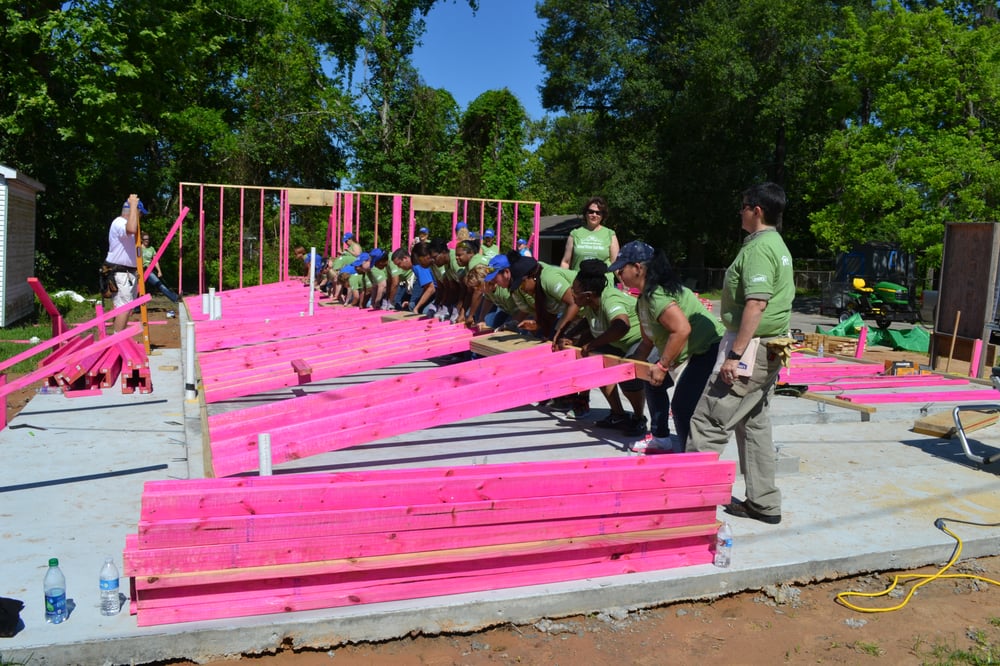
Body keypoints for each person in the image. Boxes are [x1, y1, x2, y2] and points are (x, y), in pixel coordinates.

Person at [687, 182, 794, 525]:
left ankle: (687, 506)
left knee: (708, 422)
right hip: (770, 346)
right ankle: (763, 502)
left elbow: (757, 302)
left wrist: (734, 355)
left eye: (744, 206)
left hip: (752, 347)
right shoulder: (776, 245)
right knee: (754, 424)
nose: (740, 211)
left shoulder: (760, 249)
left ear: (757, 210)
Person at [609, 241, 725, 453]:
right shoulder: (643, 300)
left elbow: (681, 330)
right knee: (652, 383)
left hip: (708, 350)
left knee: (682, 407)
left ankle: (690, 455)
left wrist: (662, 366)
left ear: (638, 267)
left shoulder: (657, 295)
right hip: (690, 351)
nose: (618, 274)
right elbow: (647, 342)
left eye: (621, 269)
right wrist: (628, 366)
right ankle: (661, 438)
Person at [554, 259, 646, 435]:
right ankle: (618, 414)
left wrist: (593, 344)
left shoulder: (609, 298)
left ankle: (639, 418)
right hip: (617, 342)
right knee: (597, 365)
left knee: (629, 377)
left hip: (638, 341)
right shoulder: (589, 303)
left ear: (588, 294)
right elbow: (589, 323)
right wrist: (570, 337)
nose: (572, 295)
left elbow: (621, 326)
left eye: (575, 291)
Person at [104, 194, 144, 332]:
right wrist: (133, 205)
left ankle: (118, 340)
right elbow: (131, 228)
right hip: (120, 273)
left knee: (125, 307)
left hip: (126, 273)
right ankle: (117, 343)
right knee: (124, 307)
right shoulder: (120, 223)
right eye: (140, 214)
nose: (140, 218)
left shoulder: (124, 224)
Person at [560, 196, 619, 270]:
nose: (594, 215)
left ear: (602, 215)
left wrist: (624, 281)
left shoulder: (610, 234)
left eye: (598, 213)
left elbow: (616, 264)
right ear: (586, 213)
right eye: (591, 211)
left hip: (603, 280)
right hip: (579, 280)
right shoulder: (574, 234)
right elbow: (565, 262)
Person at [139, 233, 180, 303]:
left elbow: (155, 261)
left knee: (159, 284)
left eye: (148, 239)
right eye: (145, 239)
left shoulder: (151, 249)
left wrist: (159, 271)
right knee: (138, 289)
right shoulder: (138, 248)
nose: (147, 241)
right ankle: (136, 307)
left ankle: (175, 298)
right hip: (140, 270)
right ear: (142, 240)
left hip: (148, 271)